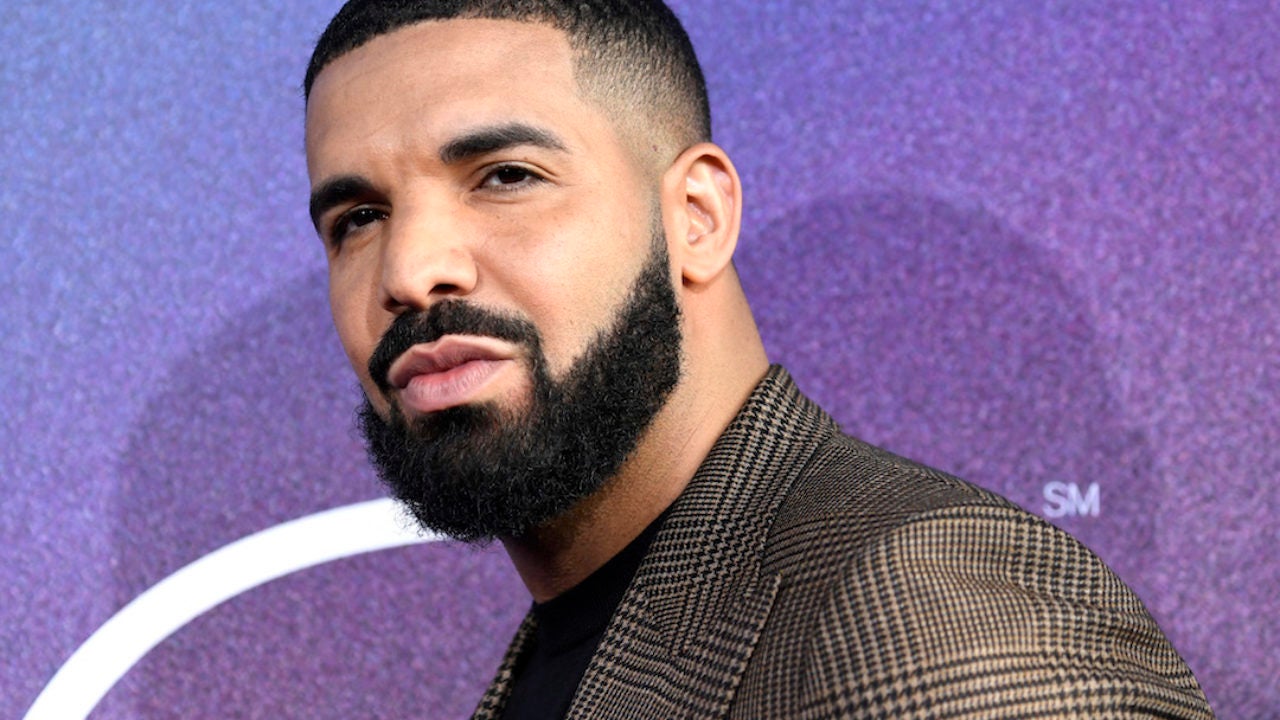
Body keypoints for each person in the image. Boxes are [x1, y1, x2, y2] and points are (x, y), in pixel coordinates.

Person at [302, 1, 1214, 717]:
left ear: (696, 218)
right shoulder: (566, 652)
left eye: (507, 176)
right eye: (359, 219)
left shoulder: (939, 619)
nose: (409, 271)